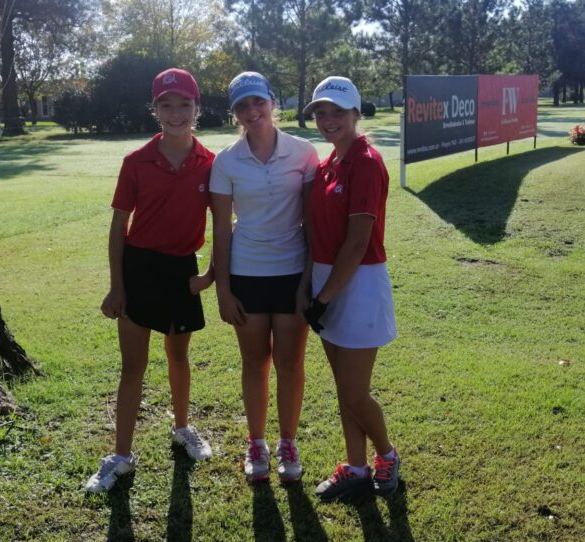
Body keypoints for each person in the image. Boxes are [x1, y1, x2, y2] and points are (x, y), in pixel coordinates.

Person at [86, 68, 215, 494]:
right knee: (133, 368)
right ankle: (120, 456)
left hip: (181, 271)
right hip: (139, 270)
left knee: (179, 358)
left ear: (197, 108)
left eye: (184, 105)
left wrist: (211, 274)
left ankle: (182, 428)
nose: (175, 113)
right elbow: (118, 227)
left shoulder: (210, 163)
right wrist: (116, 285)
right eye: (166, 104)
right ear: (155, 109)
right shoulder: (135, 162)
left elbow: (229, 224)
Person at [209, 72, 319, 483]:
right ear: (234, 112)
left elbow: (311, 223)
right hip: (247, 274)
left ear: (272, 102)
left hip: (292, 274)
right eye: (242, 106)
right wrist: (222, 290)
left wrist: (308, 281)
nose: (251, 112)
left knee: (290, 363)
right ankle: (256, 443)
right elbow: (220, 229)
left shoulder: (304, 153)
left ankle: (288, 442)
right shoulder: (226, 161)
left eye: (258, 102)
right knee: (255, 362)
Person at [301, 76, 400, 502]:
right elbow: (313, 234)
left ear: (356, 114)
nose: (327, 120)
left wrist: (321, 300)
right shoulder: (327, 164)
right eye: (320, 112)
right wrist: (312, 288)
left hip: (356, 284)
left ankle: (387, 455)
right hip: (326, 280)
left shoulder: (366, 161)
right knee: (344, 389)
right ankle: (355, 465)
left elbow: (358, 242)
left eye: (337, 112)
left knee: (356, 393)